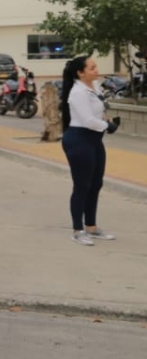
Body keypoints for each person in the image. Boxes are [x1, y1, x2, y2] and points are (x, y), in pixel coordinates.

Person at [59, 55, 120, 246]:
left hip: (94, 141)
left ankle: (92, 227)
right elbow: (87, 121)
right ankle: (78, 230)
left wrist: (107, 120)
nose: (96, 70)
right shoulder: (78, 92)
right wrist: (106, 126)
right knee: (82, 186)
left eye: (96, 67)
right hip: (79, 140)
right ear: (80, 72)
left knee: (96, 184)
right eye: (92, 68)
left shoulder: (95, 86)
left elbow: (99, 109)